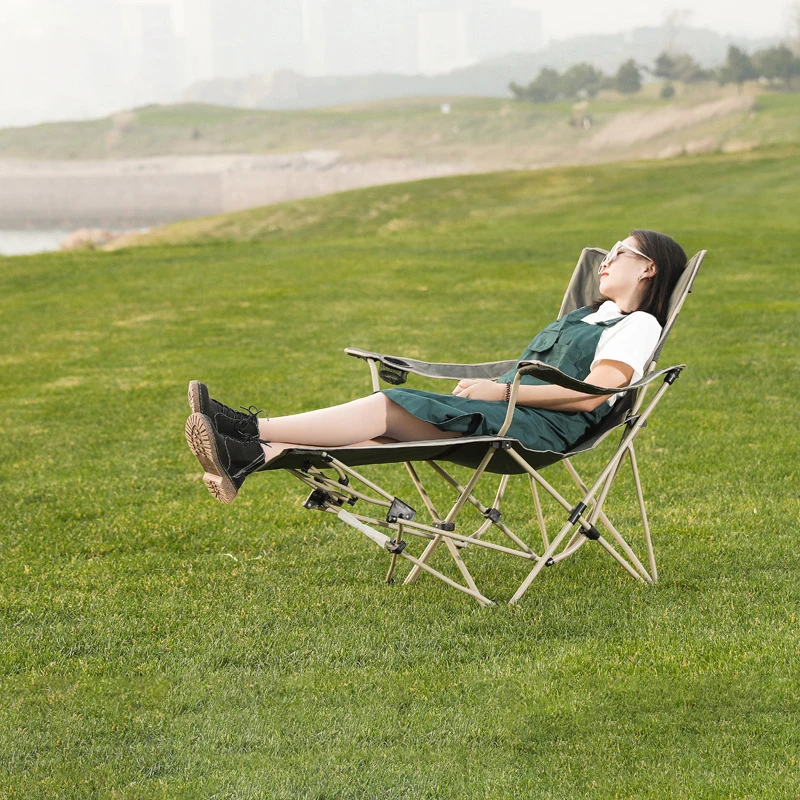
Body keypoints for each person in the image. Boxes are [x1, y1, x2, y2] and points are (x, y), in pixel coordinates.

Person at [185, 229, 687, 504]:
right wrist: (493, 385)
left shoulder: (637, 325)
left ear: (649, 268)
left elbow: (593, 394)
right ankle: (251, 455)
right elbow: (534, 371)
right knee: (389, 429)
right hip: (508, 414)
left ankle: (248, 429)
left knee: (388, 405)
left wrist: (502, 395)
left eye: (621, 252)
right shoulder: (586, 315)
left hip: (534, 431)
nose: (607, 259)